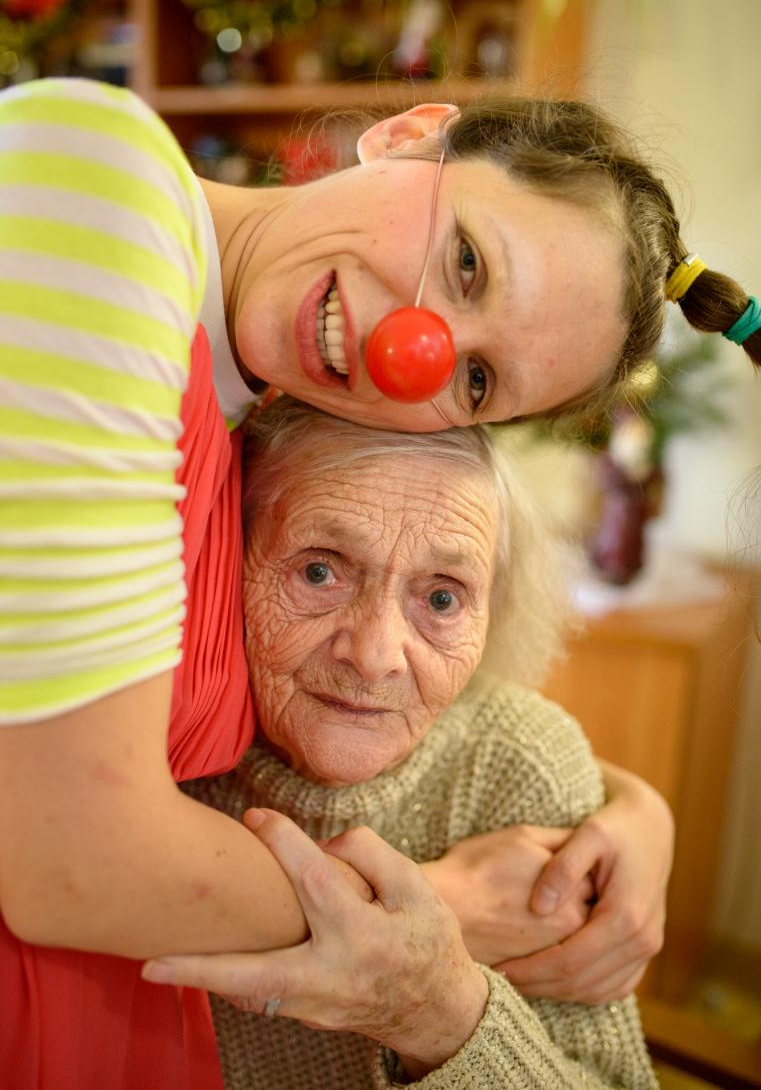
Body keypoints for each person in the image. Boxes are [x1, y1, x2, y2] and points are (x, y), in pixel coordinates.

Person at [1, 73, 755, 1088]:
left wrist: (617, 806)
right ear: (409, 135)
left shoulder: (234, 430)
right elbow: (73, 860)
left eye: (476, 380)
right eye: (464, 261)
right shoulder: (101, 190)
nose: (414, 349)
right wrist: (447, 907)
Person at [165, 394, 658, 1088]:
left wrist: (441, 1015)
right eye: (318, 570)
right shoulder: (153, 747)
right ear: (225, 566)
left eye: (442, 597)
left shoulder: (517, 767)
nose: (374, 655)